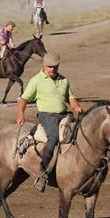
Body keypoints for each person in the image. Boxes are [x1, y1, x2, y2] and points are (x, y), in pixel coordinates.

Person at [16, 52, 82, 191]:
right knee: (53, 139)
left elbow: (70, 97)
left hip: (64, 114)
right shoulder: (36, 80)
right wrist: (21, 114)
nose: (52, 69)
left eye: (55, 67)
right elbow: (24, 99)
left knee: (79, 135)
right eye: (49, 67)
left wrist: (76, 107)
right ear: (44, 65)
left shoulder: (64, 80)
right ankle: (43, 173)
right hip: (47, 115)